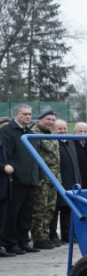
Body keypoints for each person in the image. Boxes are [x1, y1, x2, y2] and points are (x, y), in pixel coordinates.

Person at [0, 105, 41, 255]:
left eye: (30, 114)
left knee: (26, 214)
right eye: (25, 114)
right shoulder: (6, 132)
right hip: (15, 181)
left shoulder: (30, 133)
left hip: (30, 180)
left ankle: (24, 241)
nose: (28, 117)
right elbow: (7, 155)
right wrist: (12, 174)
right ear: (16, 114)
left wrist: (38, 176)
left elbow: (36, 157)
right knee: (13, 215)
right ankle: (11, 243)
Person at [30, 109, 60, 250]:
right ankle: (38, 238)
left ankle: (46, 236)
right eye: (48, 119)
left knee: (49, 209)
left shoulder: (51, 135)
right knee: (39, 209)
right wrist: (38, 177)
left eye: (53, 120)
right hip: (42, 178)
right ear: (40, 119)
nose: (50, 122)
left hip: (53, 178)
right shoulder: (33, 134)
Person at [51, 119, 81, 244]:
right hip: (58, 182)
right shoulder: (53, 144)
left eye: (64, 128)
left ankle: (68, 235)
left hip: (71, 182)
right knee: (54, 211)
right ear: (54, 130)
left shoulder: (70, 142)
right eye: (60, 129)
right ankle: (52, 236)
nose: (63, 131)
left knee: (68, 210)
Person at [0, 118, 14, 257]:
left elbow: (9, 157)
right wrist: (3, 167)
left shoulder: (2, 141)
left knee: (3, 218)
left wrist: (10, 165)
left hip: (4, 186)